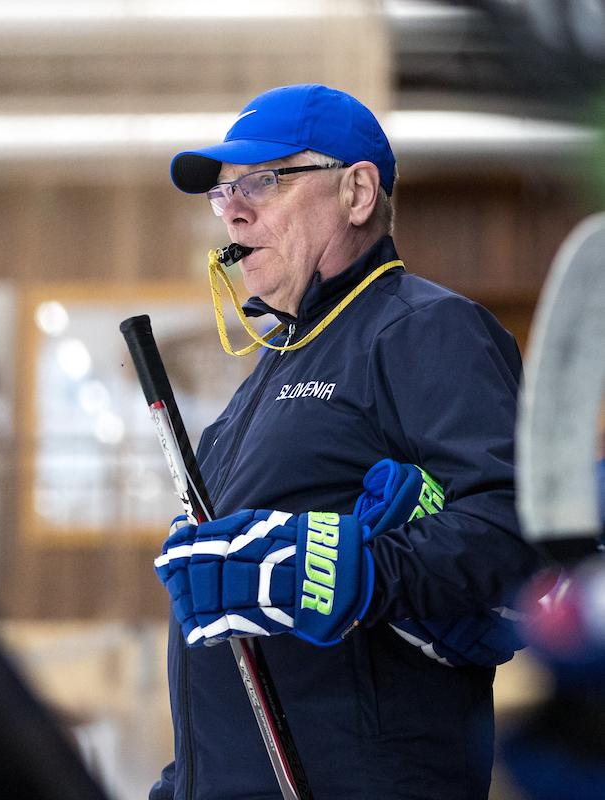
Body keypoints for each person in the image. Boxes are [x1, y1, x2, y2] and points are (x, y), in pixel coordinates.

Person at [150, 84, 542, 800]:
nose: (233, 208)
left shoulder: (425, 330)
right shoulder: (264, 378)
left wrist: (341, 568)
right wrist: (185, 782)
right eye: (223, 192)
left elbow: (515, 531)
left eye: (263, 180)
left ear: (358, 191)